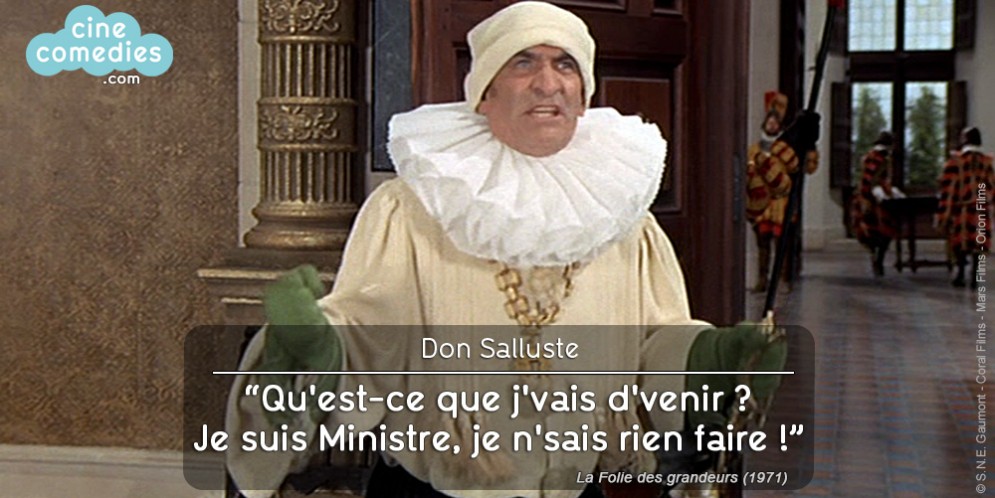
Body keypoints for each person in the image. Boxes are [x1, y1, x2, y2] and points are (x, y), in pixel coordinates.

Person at [226, 3, 790, 497]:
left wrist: (709, 360)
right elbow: (371, 337)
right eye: (523, 62)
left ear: (584, 93)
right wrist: (313, 351)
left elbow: (652, 343)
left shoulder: (623, 217)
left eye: (565, 64)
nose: (548, 83)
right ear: (484, 92)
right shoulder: (413, 208)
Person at [745, 92, 818, 292]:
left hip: (781, 203)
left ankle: (783, 280)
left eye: (775, 123)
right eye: (769, 122)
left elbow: (804, 167)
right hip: (762, 204)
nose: (771, 125)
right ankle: (762, 279)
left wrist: (808, 149)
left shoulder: (786, 149)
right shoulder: (754, 149)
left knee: (782, 244)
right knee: (762, 245)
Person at [937, 127, 995, 287]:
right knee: (979, 242)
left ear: (964, 140)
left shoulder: (955, 161)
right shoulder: (986, 162)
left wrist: (945, 212)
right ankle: (976, 275)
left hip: (961, 209)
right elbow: (991, 186)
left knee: (960, 242)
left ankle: (961, 274)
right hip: (981, 208)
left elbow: (948, 188)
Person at [850, 131, 905, 277]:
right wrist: (888, 192)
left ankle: (876, 256)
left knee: (874, 231)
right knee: (883, 230)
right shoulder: (880, 158)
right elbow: (872, 180)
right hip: (873, 199)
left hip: (866, 197)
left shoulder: (869, 156)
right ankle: (878, 258)